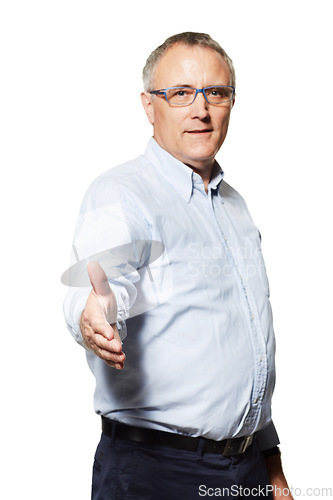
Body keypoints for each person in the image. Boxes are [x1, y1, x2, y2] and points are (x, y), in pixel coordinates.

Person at [63, 32, 293, 499]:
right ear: (150, 106)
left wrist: (271, 463)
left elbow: (247, 342)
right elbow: (106, 288)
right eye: (182, 93)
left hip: (247, 469)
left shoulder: (235, 206)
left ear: (231, 102)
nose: (201, 109)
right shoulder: (122, 194)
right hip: (155, 474)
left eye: (216, 92)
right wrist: (94, 317)